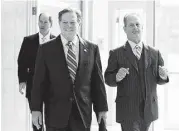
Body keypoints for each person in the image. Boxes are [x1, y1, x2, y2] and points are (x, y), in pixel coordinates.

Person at [31, 8, 108, 131]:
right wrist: (36, 109)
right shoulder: (45, 49)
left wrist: (102, 109)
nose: (69, 26)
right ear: (59, 23)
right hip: (55, 114)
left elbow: (98, 82)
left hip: (82, 114)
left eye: (72, 22)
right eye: (65, 22)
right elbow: (38, 82)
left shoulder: (92, 49)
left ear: (79, 23)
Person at [104, 13, 169, 131]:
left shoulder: (155, 53)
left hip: (148, 109)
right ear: (124, 29)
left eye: (138, 24)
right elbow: (108, 78)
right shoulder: (116, 53)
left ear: (142, 27)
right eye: (131, 25)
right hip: (127, 109)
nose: (135, 28)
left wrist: (164, 76)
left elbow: (160, 79)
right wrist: (117, 77)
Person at [17, 13, 56, 131]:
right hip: (33, 85)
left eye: (45, 22)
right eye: (41, 21)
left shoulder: (57, 41)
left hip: (52, 86)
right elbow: (21, 61)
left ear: (51, 24)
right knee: (36, 118)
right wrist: (22, 81)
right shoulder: (28, 40)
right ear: (37, 23)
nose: (42, 24)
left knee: (51, 117)